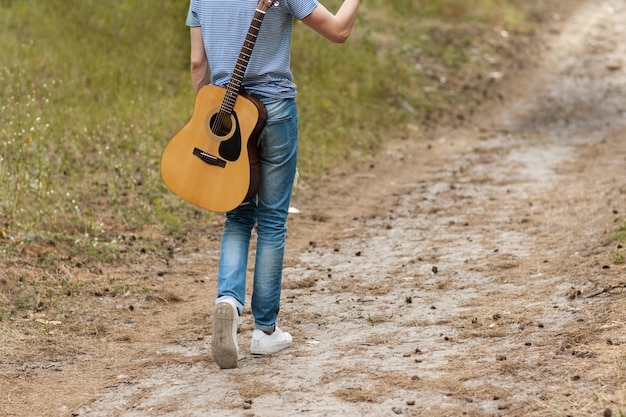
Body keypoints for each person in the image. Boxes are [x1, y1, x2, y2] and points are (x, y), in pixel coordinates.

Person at [186, 0, 360, 369]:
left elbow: (198, 65)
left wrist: (207, 121)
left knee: (237, 216)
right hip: (275, 108)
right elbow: (339, 30)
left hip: (227, 115)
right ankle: (265, 332)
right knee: (271, 221)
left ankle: (228, 301)